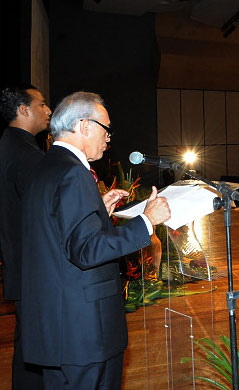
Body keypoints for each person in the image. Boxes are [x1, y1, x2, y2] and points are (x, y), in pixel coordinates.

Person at [20, 92, 171, 389]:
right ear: (84, 125)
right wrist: (147, 221)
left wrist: (98, 210)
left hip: (58, 327)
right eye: (107, 129)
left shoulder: (46, 167)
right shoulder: (74, 173)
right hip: (84, 332)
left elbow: (55, 233)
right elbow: (86, 251)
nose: (109, 138)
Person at [0, 84, 52, 389]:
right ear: (23, 110)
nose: (47, 110)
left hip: (19, 264)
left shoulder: (9, 144)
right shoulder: (25, 154)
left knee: (28, 350)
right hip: (34, 269)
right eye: (42, 104)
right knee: (35, 353)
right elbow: (49, 211)